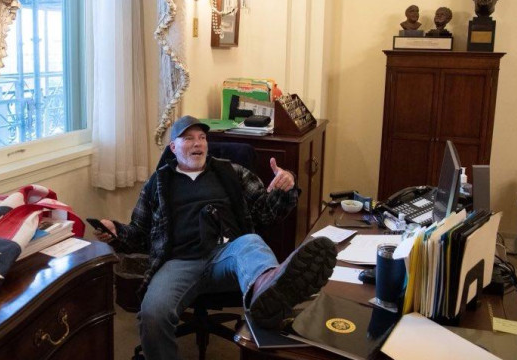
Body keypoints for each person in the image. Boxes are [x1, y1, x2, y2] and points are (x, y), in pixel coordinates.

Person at [93, 115, 337, 360]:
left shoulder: (231, 172)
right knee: (152, 315)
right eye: (188, 138)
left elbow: (267, 213)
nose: (197, 143)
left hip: (228, 255)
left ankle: (267, 290)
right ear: (173, 148)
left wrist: (286, 187)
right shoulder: (158, 183)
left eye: (202, 138)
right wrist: (115, 231)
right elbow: (138, 234)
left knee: (251, 242)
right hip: (179, 262)